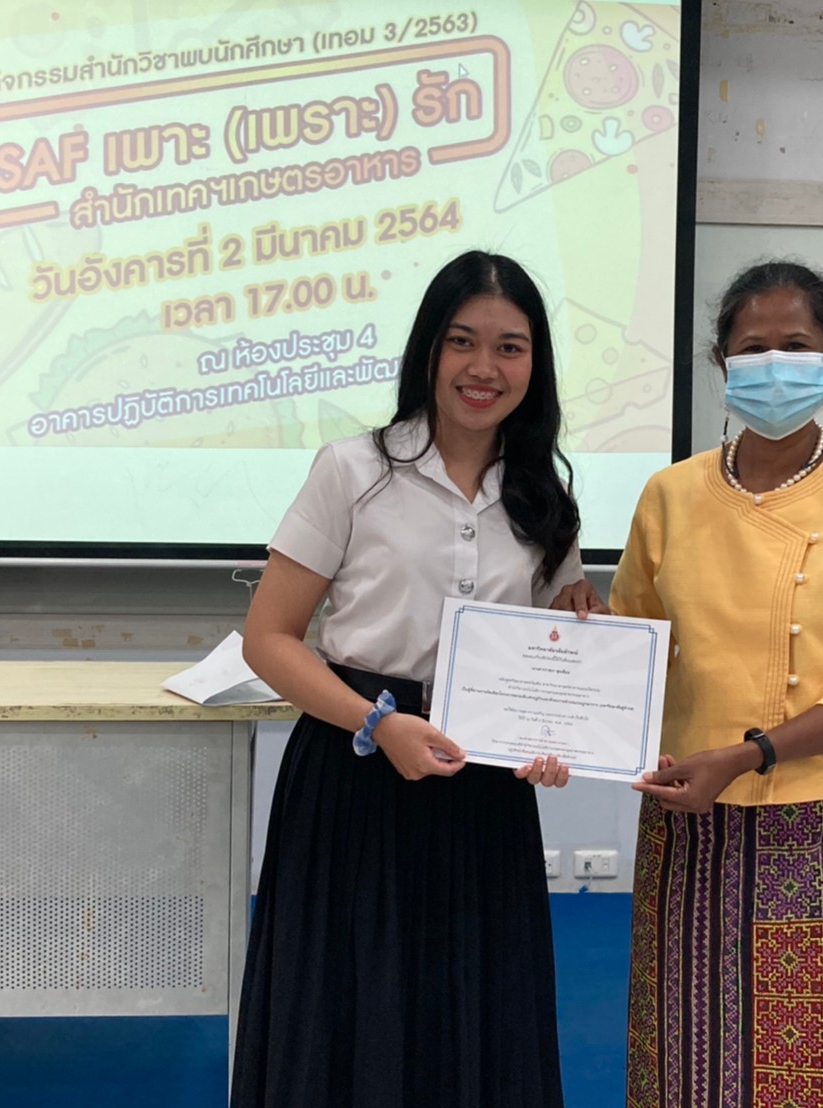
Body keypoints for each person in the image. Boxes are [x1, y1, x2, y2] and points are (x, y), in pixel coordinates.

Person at [231, 250, 600, 1108]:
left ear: (536, 364)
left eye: (510, 347)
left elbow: (556, 637)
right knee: (348, 1007)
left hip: (483, 786)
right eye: (462, 341)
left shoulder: (544, 498)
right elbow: (269, 639)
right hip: (357, 769)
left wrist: (562, 723)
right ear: (429, 348)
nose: (484, 367)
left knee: (475, 1011)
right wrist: (377, 724)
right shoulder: (352, 471)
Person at [564, 259, 823, 1106]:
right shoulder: (671, 495)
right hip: (693, 809)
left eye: (796, 345)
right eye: (753, 347)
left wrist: (748, 754)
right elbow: (639, 650)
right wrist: (574, 639)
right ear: (721, 361)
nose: (776, 365)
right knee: (687, 1047)